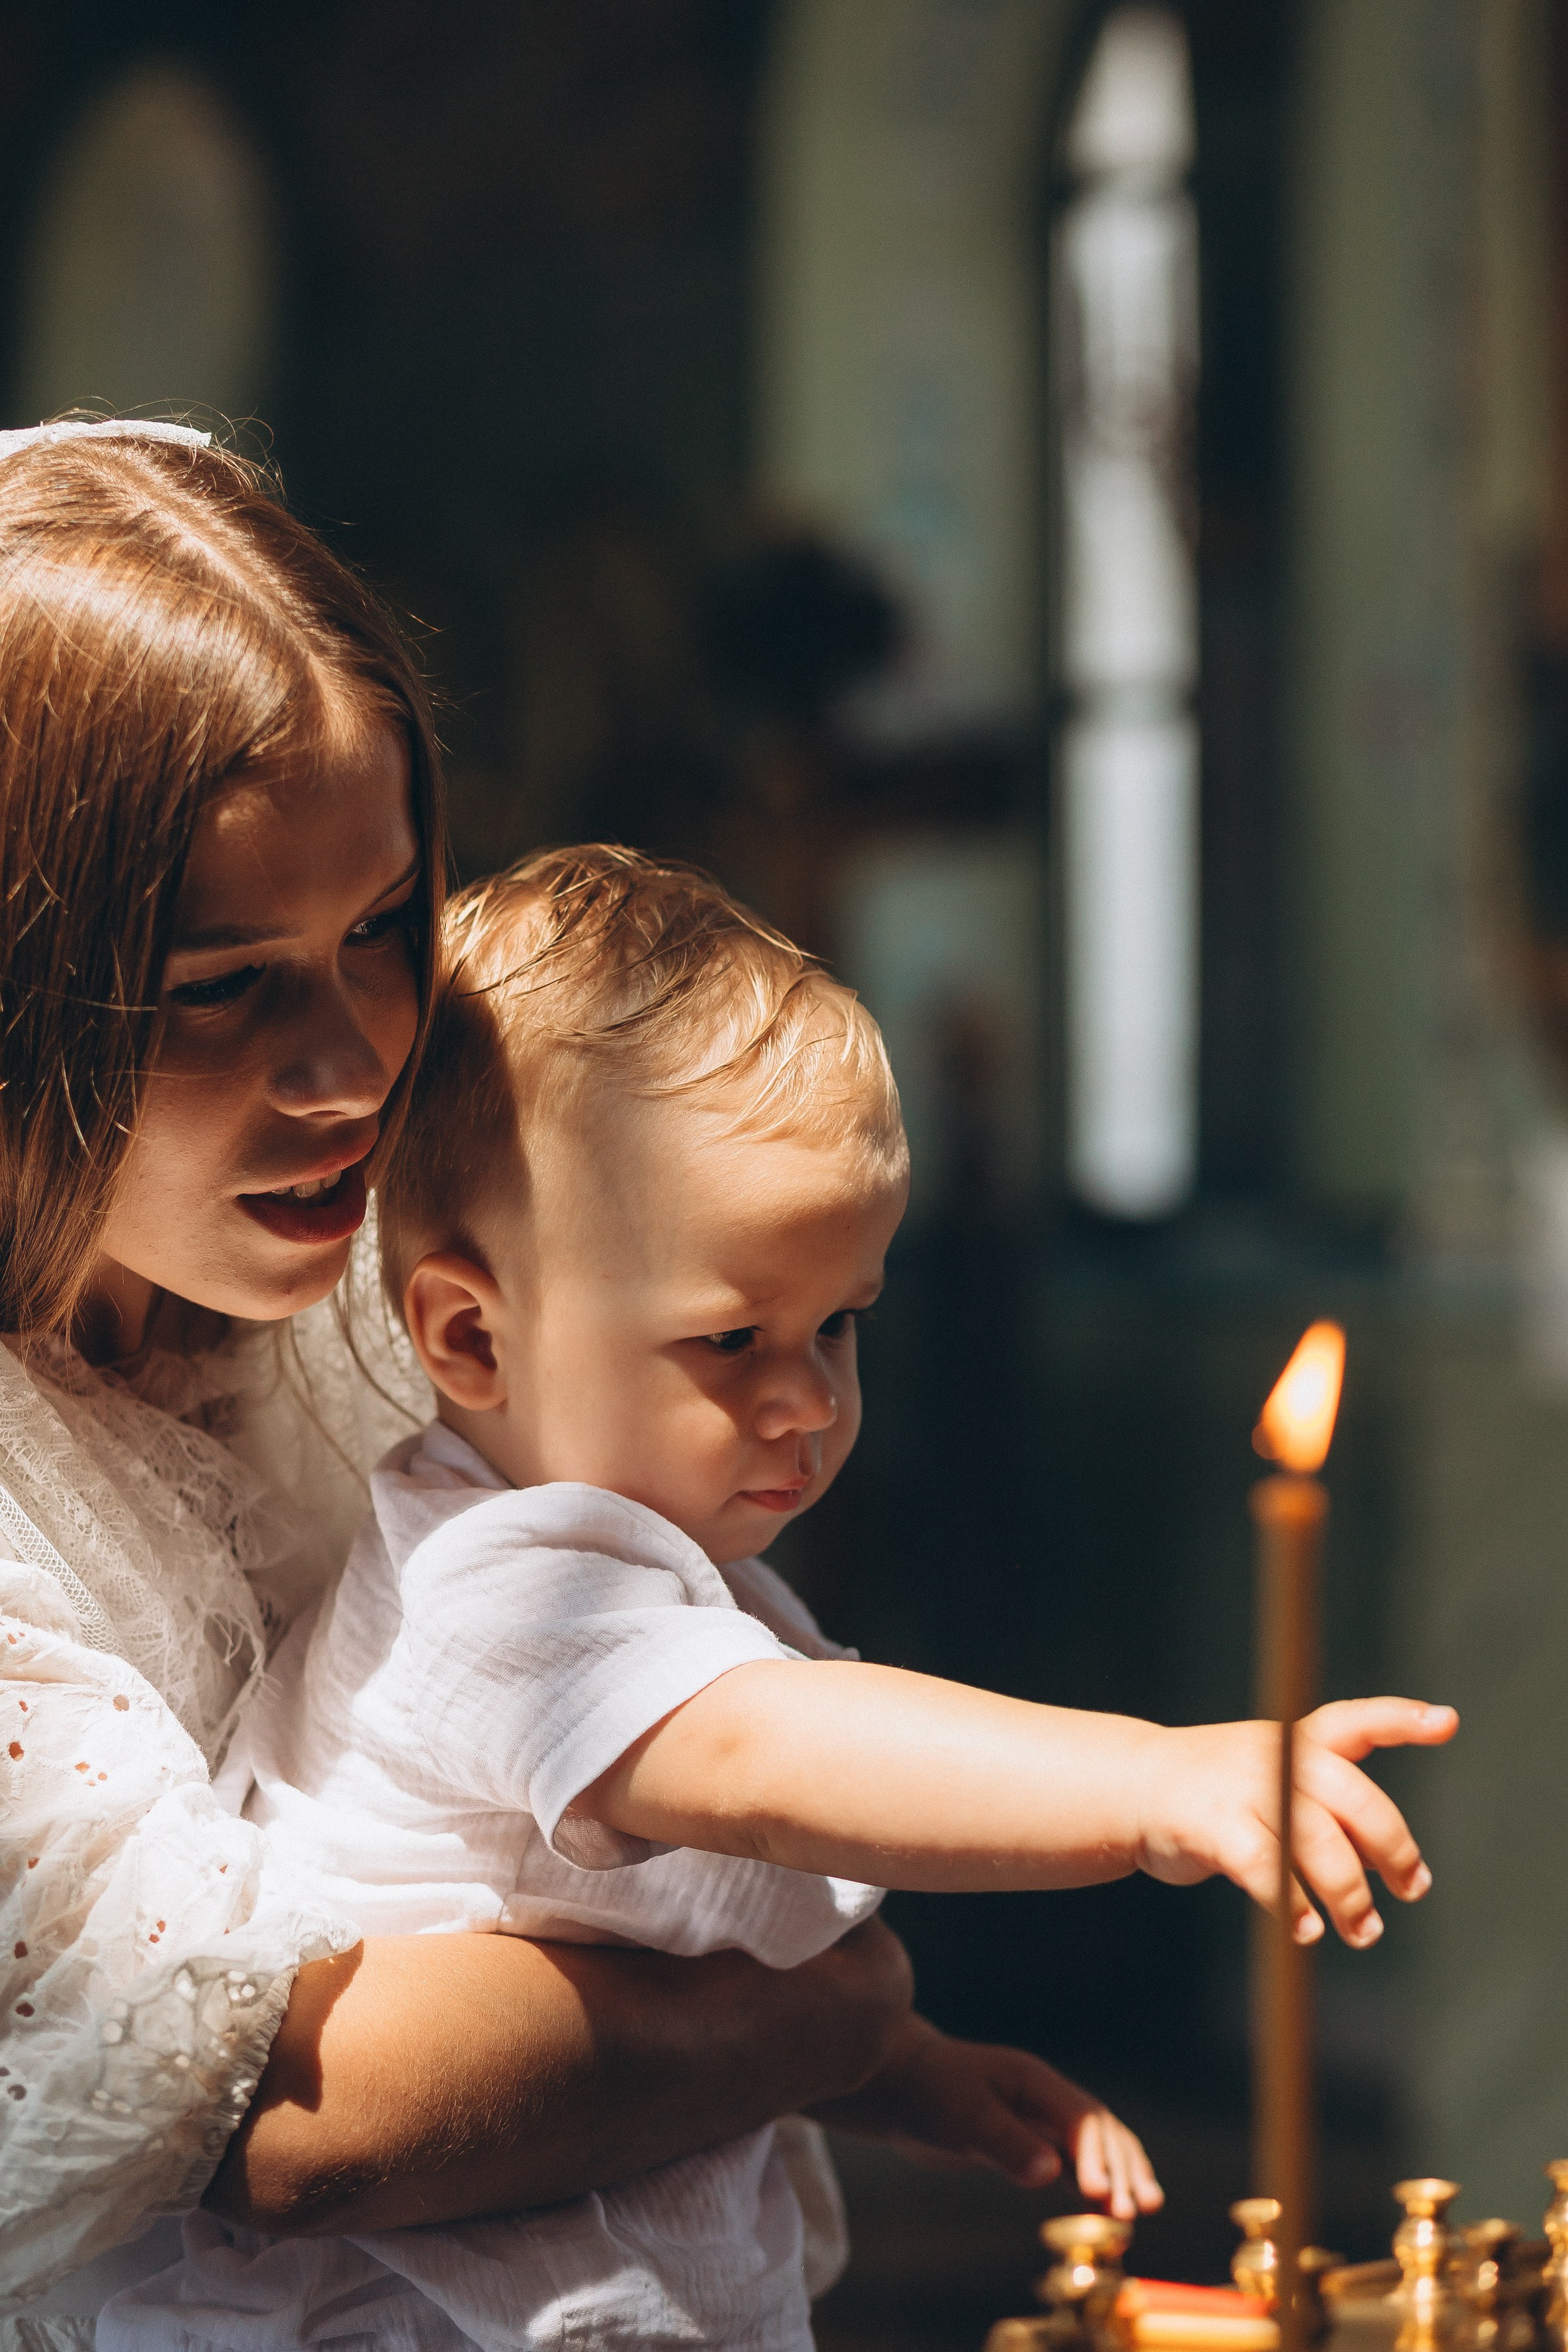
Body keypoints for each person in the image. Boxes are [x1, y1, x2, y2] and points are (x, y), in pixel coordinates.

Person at [127, 847, 1459, 2352]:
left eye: (840, 1327)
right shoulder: (500, 1588)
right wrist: (1152, 1775)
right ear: (470, 1336)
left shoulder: (646, 1561)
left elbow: (675, 1931)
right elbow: (772, 1763)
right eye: (733, 1339)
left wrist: (898, 2064)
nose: (806, 1401)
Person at [0, 425, 916, 2344]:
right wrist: (822, 2018)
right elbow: (319, 2106)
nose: (352, 1066)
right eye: (221, 982)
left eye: (385, 930)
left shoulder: (357, 1285)